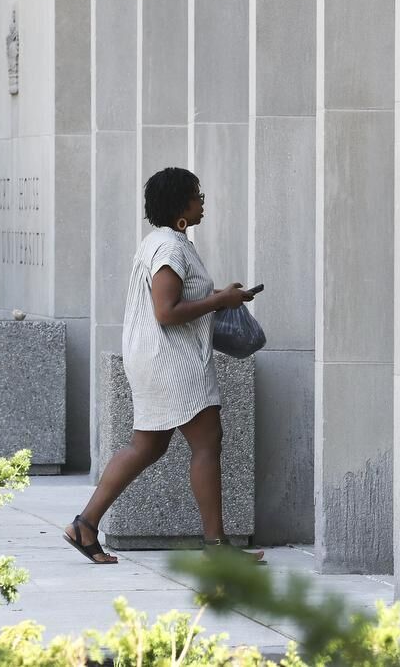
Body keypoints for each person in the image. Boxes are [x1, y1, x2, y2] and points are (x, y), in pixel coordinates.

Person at [64, 167, 262, 564]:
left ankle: (85, 525)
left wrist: (221, 296)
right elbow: (166, 311)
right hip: (171, 361)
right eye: (197, 196)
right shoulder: (170, 249)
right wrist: (222, 300)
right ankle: (217, 548)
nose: (202, 202)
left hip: (157, 358)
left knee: (147, 446)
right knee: (207, 441)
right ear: (180, 206)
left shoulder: (163, 241)